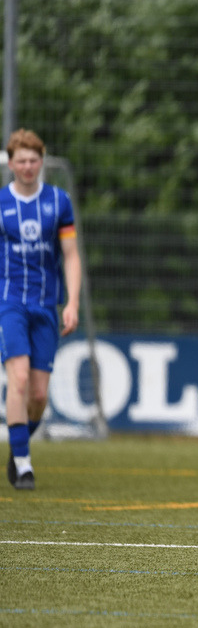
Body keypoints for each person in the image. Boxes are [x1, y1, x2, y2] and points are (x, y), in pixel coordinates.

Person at [3, 129, 82, 491]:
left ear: (42, 160)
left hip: (47, 306)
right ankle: (22, 464)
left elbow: (70, 255)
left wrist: (73, 302)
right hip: (10, 303)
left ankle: (18, 444)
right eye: (21, 160)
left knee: (38, 395)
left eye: (34, 160)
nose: (28, 166)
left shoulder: (58, 201)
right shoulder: (1, 203)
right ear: (11, 163)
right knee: (17, 379)